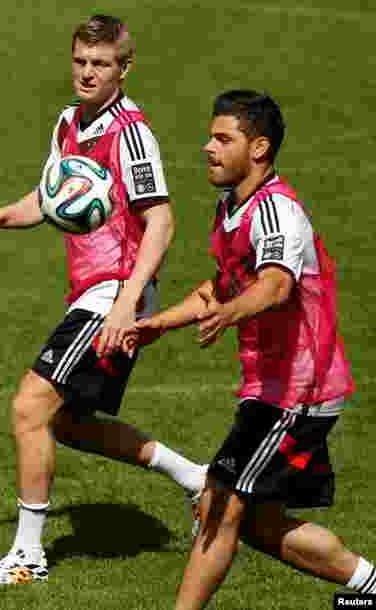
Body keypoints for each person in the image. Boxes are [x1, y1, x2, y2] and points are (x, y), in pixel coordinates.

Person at [0, 14, 206, 585]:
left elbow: (161, 222)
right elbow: (53, 197)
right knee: (68, 423)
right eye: (80, 62)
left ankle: (28, 556)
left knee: (28, 408)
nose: (87, 73)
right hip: (93, 294)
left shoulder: (132, 133)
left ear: (124, 67)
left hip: (114, 295)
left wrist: (127, 303)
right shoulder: (70, 121)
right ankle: (198, 480)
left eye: (100, 64)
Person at [122, 90, 375, 610]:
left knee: (220, 505)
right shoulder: (232, 209)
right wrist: (160, 324)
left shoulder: (277, 211)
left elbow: (274, 285)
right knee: (253, 521)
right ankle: (370, 585)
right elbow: (223, 284)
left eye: (222, 139)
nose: (207, 147)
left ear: (258, 148)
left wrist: (228, 314)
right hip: (271, 389)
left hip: (299, 391)